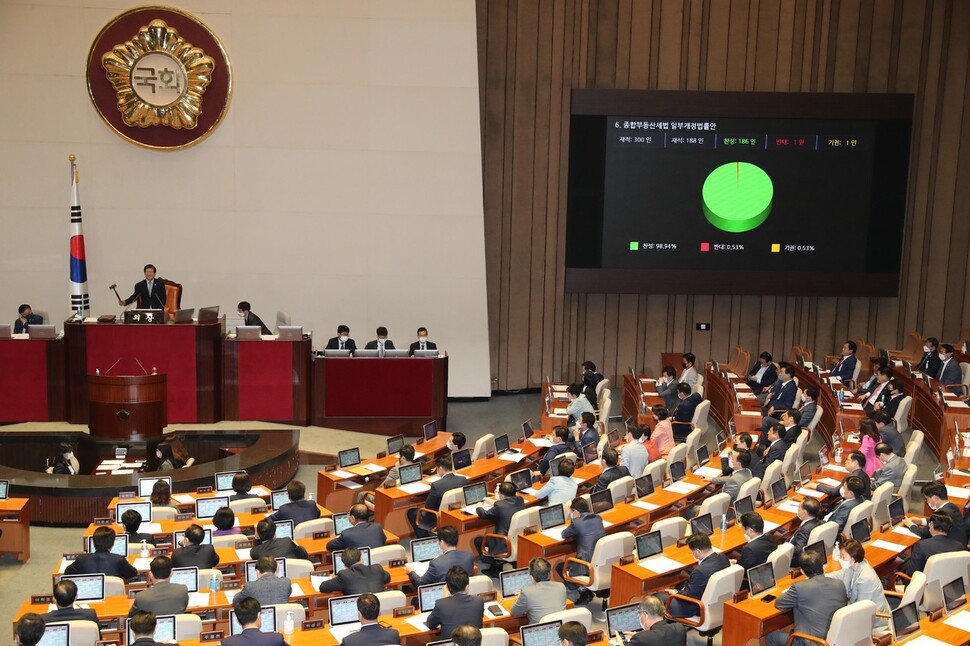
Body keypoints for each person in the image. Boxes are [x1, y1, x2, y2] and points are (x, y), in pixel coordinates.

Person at [767, 550, 848, 646]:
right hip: (835, 640)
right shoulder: (839, 584)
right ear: (822, 566)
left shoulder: (800, 588)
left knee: (771, 637)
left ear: (802, 571)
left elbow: (779, 603)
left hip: (811, 642)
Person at [827, 539, 890, 635]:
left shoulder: (865, 578)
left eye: (843, 557)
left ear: (853, 558)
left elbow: (861, 610)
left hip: (875, 620)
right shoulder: (856, 565)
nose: (841, 559)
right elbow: (840, 574)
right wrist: (819, 577)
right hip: (862, 610)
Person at [664, 533, 730, 619]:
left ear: (698, 552)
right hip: (718, 603)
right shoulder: (723, 558)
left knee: (659, 597)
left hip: (695, 608)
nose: (692, 554)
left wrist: (676, 593)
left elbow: (688, 597)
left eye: (692, 552)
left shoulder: (699, 572)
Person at [555, 497, 605, 605]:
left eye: (572, 511)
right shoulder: (598, 518)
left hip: (586, 566)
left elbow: (564, 534)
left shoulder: (577, 523)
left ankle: (583, 591)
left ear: (576, 511)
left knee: (560, 567)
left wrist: (574, 520)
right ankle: (585, 589)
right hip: (599, 563)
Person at [407, 454, 467, 537]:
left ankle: (423, 538)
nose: (436, 471)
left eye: (437, 468)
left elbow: (428, 507)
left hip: (437, 518)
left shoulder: (436, 485)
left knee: (411, 512)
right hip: (455, 514)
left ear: (441, 468)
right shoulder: (463, 480)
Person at [474, 481, 526, 576]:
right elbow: (507, 505)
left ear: (501, 495)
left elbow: (484, 514)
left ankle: (495, 565)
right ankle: (498, 563)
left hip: (503, 542)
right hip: (519, 540)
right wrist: (494, 502)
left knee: (478, 540)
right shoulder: (520, 500)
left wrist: (479, 507)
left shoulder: (500, 506)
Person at [899, 513, 966, 577]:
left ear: (931, 525)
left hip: (925, 583)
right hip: (949, 581)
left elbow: (911, 573)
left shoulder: (921, 545)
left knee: (898, 565)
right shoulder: (959, 546)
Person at [407, 525, 475, 587]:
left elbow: (420, 583)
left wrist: (411, 572)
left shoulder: (436, 563)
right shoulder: (469, 556)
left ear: (442, 542)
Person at [427, 566, 485, 638]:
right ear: (467, 587)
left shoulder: (441, 605)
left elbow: (430, 624)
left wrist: (446, 599)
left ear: (447, 588)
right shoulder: (479, 601)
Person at [903, 482, 968, 544]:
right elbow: (939, 520)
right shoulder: (952, 506)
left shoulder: (941, 513)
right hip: (959, 545)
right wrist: (921, 521)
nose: (926, 502)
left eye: (926, 499)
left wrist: (910, 525)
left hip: (949, 549)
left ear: (934, 498)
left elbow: (924, 533)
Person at [509, 557, 568, 623]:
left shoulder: (527, 593)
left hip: (538, 631)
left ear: (531, 577)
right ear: (549, 574)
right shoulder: (561, 587)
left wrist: (521, 597)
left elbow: (514, 612)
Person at [65, 526, 138, 579]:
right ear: (112, 544)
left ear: (93, 543)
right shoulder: (119, 559)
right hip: (115, 597)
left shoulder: (81, 559)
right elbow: (133, 573)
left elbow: (67, 572)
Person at [319, 546, 391, 594]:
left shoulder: (344, 575)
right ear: (361, 559)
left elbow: (323, 587)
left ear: (345, 566)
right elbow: (387, 578)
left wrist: (334, 579)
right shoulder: (377, 568)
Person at [734, 512, 777, 583]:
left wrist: (735, 564)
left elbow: (743, 572)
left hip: (754, 582)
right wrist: (737, 562)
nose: (743, 531)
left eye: (744, 528)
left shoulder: (749, 549)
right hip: (767, 576)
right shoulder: (771, 538)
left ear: (750, 530)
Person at [787, 497, 822, 567]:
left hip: (793, 562)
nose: (798, 509)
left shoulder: (805, 530)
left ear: (805, 512)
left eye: (799, 507)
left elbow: (798, 551)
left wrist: (785, 548)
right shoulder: (821, 522)